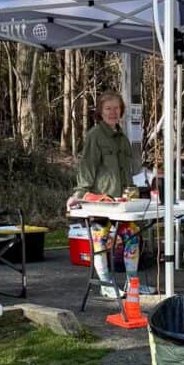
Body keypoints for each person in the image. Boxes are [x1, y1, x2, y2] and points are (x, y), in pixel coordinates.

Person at [66, 92, 151, 298]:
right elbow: (87, 167)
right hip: (100, 201)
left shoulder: (123, 138)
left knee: (132, 238)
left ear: (121, 110)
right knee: (100, 241)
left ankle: (133, 283)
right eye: (108, 109)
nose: (113, 113)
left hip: (122, 202)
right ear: (101, 112)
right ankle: (106, 284)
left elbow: (128, 171)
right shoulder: (95, 136)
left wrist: (134, 192)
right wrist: (80, 193)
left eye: (116, 108)